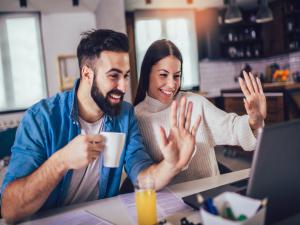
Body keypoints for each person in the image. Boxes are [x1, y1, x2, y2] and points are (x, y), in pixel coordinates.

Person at [0, 30, 201, 222]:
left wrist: (172, 164)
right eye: (114, 76)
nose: (123, 87)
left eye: (126, 76)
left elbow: (142, 177)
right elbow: (10, 210)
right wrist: (61, 161)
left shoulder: (125, 115)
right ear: (87, 74)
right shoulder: (40, 119)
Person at [134, 39, 266, 185]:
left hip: (209, 197)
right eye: (163, 75)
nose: (172, 84)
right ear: (146, 73)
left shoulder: (195, 102)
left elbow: (232, 128)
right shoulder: (136, 118)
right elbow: (142, 178)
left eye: (176, 76)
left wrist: (253, 122)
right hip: (167, 204)